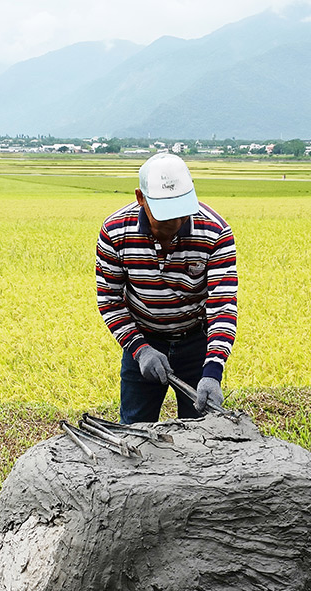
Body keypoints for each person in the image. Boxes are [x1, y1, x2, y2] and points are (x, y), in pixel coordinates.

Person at [96, 153, 238, 424]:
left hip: (197, 344)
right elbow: (110, 300)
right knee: (136, 429)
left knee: (201, 432)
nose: (174, 227)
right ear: (141, 198)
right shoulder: (115, 232)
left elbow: (222, 306)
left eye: (181, 217)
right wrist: (140, 349)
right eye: (164, 220)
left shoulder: (215, 233)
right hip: (144, 340)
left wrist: (212, 371)